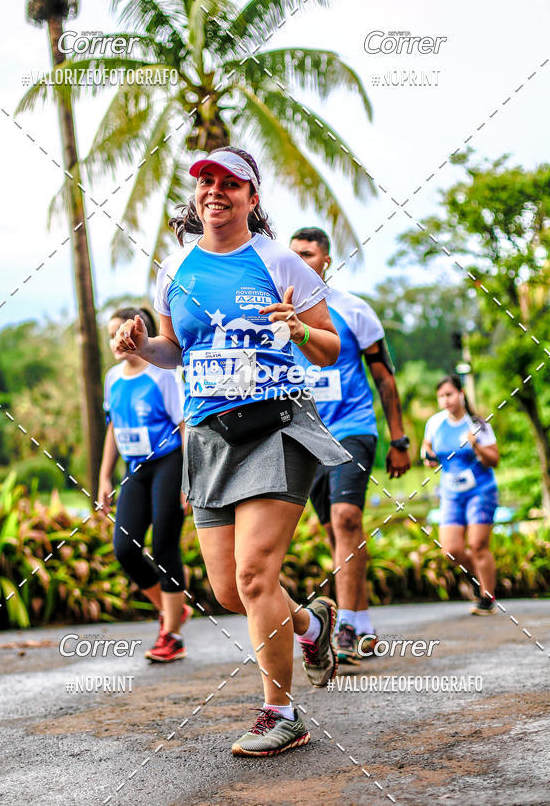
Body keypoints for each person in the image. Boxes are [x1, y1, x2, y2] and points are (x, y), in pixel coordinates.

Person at [113, 146, 350, 758]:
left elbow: (330, 349)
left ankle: (281, 712)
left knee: (253, 575)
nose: (215, 191)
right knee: (227, 590)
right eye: (206, 182)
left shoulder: (277, 261)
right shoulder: (175, 270)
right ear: (197, 195)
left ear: (251, 197)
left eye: (229, 183)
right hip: (208, 437)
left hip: (276, 426)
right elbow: (173, 350)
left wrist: (299, 328)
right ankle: (311, 624)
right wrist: (142, 342)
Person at [290, 227, 411, 664]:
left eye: (308, 254)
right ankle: (359, 619)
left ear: (326, 260)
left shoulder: (354, 310)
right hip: (306, 436)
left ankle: (348, 628)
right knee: (334, 531)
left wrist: (398, 438)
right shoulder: (279, 314)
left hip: (353, 429)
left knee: (346, 519)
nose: (300, 261)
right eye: (293, 255)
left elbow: (384, 377)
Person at [99, 306, 191, 662]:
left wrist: (188, 478)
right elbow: (113, 427)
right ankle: (173, 611)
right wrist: (105, 476)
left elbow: (184, 427)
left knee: (165, 544)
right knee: (125, 548)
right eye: (111, 334)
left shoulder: (163, 375)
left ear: (142, 336)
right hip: (133, 470)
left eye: (122, 332)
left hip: (168, 463)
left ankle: (172, 635)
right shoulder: (112, 378)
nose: (117, 341)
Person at [421, 374, 500, 615]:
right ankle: (480, 577)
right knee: (451, 550)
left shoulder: (477, 424)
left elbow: (494, 459)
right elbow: (428, 450)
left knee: (477, 544)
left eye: (449, 394)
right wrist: (428, 458)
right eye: (441, 396)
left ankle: (487, 598)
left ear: (461, 394)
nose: (445, 400)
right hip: (451, 493)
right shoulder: (434, 423)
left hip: (480, 490)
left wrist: (475, 445)